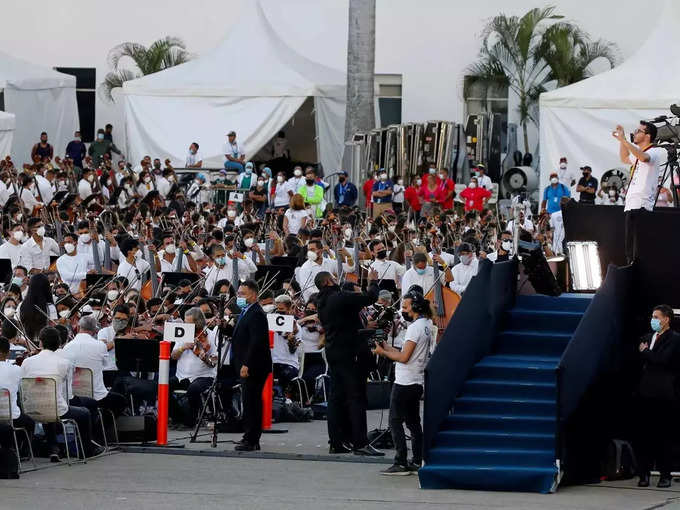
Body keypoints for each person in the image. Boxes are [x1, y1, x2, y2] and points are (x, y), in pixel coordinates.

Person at [315, 269, 383, 456]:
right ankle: (360, 443)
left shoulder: (321, 301)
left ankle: (336, 442)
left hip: (333, 351)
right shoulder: (339, 297)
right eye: (333, 278)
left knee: (336, 397)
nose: (337, 280)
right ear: (328, 281)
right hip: (349, 353)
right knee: (356, 396)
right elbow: (370, 297)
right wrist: (373, 281)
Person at [21, 326, 104, 461]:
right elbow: (67, 393)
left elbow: (23, 386)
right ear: (59, 344)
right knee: (84, 413)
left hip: (31, 409)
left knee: (48, 407)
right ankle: (86, 450)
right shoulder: (65, 363)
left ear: (40, 342)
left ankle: (53, 447)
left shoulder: (27, 362)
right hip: (55, 408)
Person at [373, 291, 431, 475]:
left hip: (405, 381)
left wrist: (383, 353)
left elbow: (404, 357)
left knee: (395, 421)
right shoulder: (427, 325)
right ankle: (416, 459)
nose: (403, 310)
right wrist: (387, 347)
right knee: (414, 422)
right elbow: (406, 351)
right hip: (416, 380)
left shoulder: (414, 328)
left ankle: (400, 461)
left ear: (414, 308)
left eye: (405, 307)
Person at [634, 304, 680, 488]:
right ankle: (643, 474)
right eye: (652, 316)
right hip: (644, 392)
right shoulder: (646, 337)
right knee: (644, 435)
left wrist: (646, 352)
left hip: (663, 394)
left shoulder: (675, 339)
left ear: (666, 319)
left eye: (656, 317)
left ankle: (665, 475)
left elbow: (662, 360)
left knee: (664, 436)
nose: (653, 320)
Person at [613, 122, 666, 263]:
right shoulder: (638, 153)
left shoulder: (654, 152)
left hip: (641, 205)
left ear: (647, 136)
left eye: (639, 131)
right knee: (630, 249)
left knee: (639, 250)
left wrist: (624, 140)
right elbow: (624, 158)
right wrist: (621, 140)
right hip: (631, 204)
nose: (635, 133)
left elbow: (643, 157)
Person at [230, 280, 271, 451]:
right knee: (249, 401)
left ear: (253, 295)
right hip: (245, 363)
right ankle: (249, 436)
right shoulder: (245, 312)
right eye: (238, 293)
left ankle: (252, 438)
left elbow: (256, 342)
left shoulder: (256, 314)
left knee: (252, 402)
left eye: (243, 294)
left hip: (254, 365)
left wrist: (247, 363)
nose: (239, 297)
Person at [61, 315, 128, 417]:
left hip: (75, 396)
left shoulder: (67, 347)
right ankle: (102, 426)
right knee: (121, 401)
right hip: (97, 396)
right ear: (95, 330)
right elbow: (105, 364)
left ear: (78, 328)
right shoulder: (100, 346)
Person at [170, 307, 217, 428]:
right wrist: (182, 347)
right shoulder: (182, 333)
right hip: (181, 376)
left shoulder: (211, 336)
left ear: (198, 322)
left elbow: (214, 362)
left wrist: (204, 357)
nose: (186, 326)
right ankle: (178, 417)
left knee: (193, 390)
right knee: (163, 387)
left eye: (189, 323)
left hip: (203, 376)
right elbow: (173, 356)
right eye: (185, 322)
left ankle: (191, 419)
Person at [271, 294, 301, 392]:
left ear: (288, 309)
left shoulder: (296, 327)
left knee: (284, 376)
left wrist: (291, 340)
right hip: (273, 361)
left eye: (282, 309)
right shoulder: (271, 323)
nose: (279, 311)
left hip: (288, 363)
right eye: (277, 309)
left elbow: (293, 350)